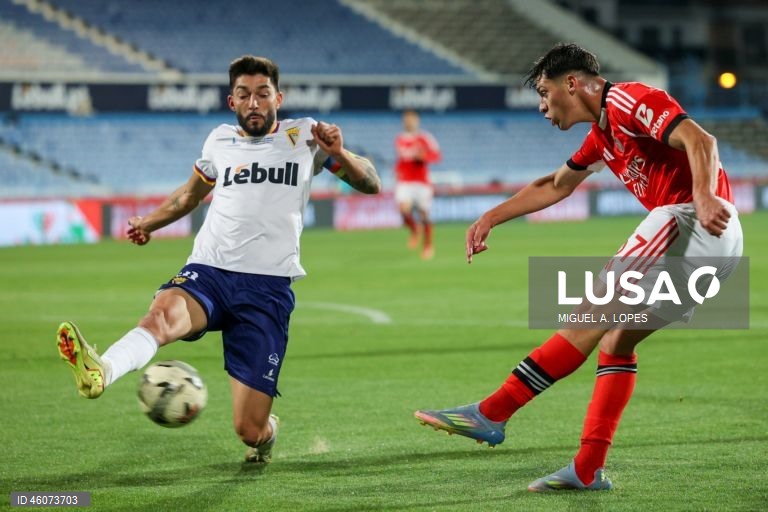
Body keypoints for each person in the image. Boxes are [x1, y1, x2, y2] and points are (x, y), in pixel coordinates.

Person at [414, 43, 742, 491]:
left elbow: (700, 140)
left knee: (590, 316)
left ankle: (491, 412)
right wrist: (491, 217)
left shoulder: (629, 101)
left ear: (572, 82)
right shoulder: (601, 139)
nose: (544, 109)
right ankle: (588, 470)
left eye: (545, 94)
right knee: (616, 340)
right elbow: (556, 184)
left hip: (690, 221)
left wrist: (702, 196)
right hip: (713, 246)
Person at [56, 55, 381, 464]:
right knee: (159, 318)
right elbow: (189, 196)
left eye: (263, 94)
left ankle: (267, 435)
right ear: (232, 102)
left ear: (278, 98)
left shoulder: (307, 136)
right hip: (209, 270)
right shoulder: (219, 141)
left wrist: (342, 154)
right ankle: (103, 370)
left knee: (248, 429)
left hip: (266, 290)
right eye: (244, 95)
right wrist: (150, 223)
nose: (254, 103)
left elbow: (371, 182)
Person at [394, 109, 441, 260]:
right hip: (405, 181)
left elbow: (437, 155)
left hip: (422, 182)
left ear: (417, 120)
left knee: (424, 215)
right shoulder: (400, 139)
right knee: (403, 210)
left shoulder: (425, 138)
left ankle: (428, 245)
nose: (408, 121)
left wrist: (424, 156)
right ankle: (415, 230)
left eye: (411, 119)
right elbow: (401, 160)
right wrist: (397, 171)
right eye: (406, 119)